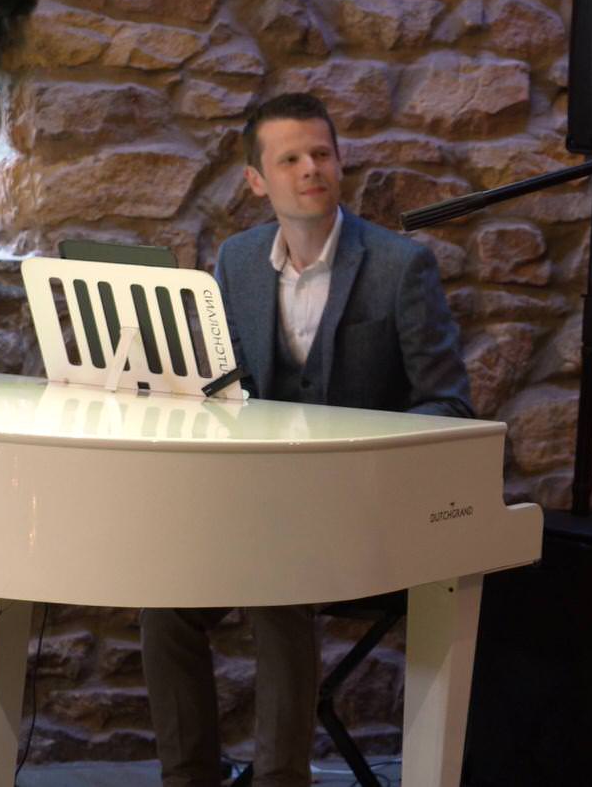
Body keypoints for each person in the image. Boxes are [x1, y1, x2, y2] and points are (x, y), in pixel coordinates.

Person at [141, 91, 472, 787]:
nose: (310, 168)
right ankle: (188, 777)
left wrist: (364, 453)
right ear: (258, 180)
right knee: (162, 588)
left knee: (277, 573)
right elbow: (224, 388)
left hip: (360, 510)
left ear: (340, 163)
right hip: (257, 503)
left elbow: (450, 404)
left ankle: (280, 779)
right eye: (289, 158)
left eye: (321, 153)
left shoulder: (398, 266)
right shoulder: (233, 263)